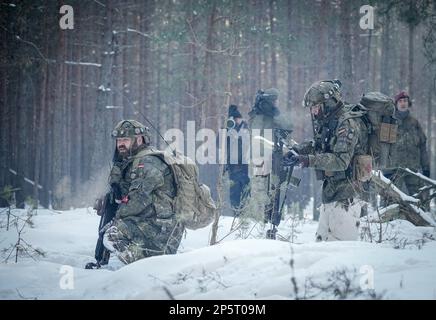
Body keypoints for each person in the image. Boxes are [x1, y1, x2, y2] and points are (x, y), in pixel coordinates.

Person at [284, 80, 369, 241]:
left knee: (340, 251)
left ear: (328, 104)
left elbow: (341, 161)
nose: (314, 112)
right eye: (313, 108)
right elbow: (319, 144)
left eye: (316, 107)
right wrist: (298, 151)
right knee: (322, 247)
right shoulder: (328, 122)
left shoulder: (347, 123)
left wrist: (308, 160)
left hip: (347, 195)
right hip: (330, 193)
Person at [102, 120, 185, 264]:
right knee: (114, 229)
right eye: (119, 140)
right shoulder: (131, 162)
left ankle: (145, 267)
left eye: (126, 139)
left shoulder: (148, 163)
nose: (121, 144)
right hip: (150, 224)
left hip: (162, 230)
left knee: (112, 234)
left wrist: (116, 217)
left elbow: (138, 200)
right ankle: (143, 261)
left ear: (139, 139)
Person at [382, 91, 430, 206]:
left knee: (419, 201)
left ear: (409, 103)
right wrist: (385, 168)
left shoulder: (415, 123)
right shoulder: (390, 122)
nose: (403, 103)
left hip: (413, 169)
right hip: (394, 170)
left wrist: (426, 167)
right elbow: (384, 146)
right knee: (390, 200)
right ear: (396, 104)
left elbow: (422, 146)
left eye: (405, 101)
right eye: (400, 101)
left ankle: (422, 222)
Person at [225, 105, 250, 215]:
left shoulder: (246, 129)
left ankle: (244, 214)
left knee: (246, 191)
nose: (235, 121)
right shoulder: (227, 129)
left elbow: (250, 144)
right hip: (233, 167)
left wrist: (237, 138)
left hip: (245, 167)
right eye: (233, 119)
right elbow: (218, 144)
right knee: (234, 192)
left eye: (237, 119)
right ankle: (236, 214)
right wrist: (226, 131)